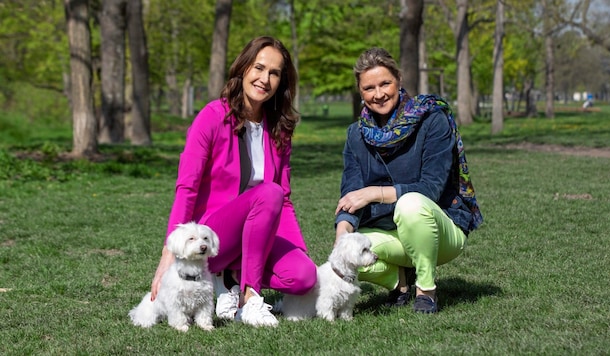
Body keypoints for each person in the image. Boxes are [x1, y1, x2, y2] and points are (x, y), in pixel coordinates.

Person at [150, 36, 317, 327]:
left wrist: (297, 250)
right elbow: (186, 188)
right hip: (214, 234)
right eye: (259, 67)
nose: (265, 79)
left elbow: (284, 199)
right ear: (243, 68)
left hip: (258, 229)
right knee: (268, 193)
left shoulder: (280, 129)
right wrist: (168, 252)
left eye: (274, 73)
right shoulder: (212, 116)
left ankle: (230, 277)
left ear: (282, 81)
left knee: (303, 276)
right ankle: (248, 298)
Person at [334, 48, 483, 314]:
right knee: (349, 251)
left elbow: (431, 188)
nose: (378, 94)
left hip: (439, 229)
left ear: (399, 80)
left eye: (385, 83)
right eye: (369, 88)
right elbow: (351, 192)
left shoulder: (432, 119)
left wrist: (373, 193)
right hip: (389, 230)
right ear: (360, 92)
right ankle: (399, 283)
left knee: (411, 204)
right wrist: (341, 235)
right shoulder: (355, 135)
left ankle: (426, 290)